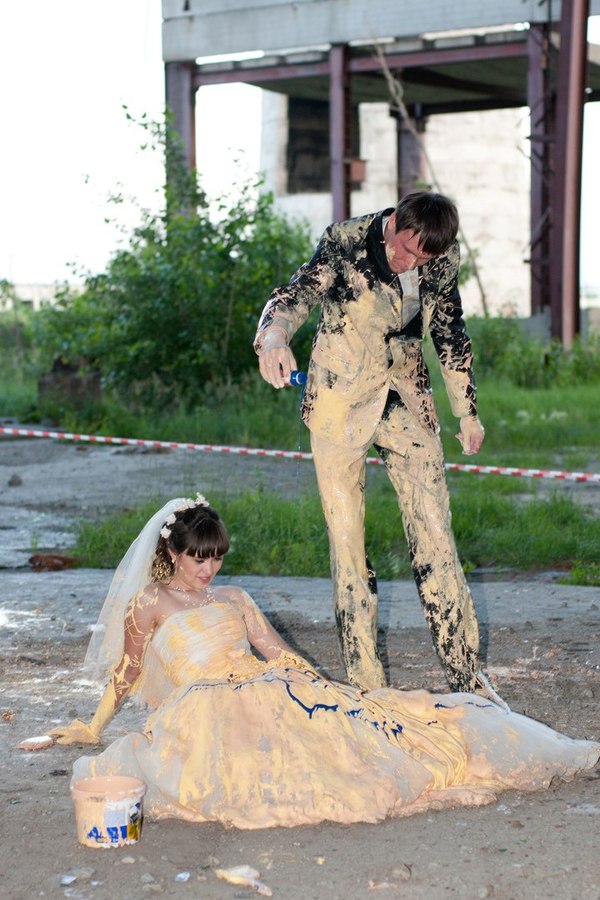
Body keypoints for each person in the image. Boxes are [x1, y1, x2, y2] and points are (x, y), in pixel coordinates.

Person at [19, 496, 600, 829]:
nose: (209, 570)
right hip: (201, 707)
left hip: (265, 685)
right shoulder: (149, 603)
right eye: (198, 559)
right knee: (243, 777)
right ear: (171, 553)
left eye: (216, 558)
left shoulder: (234, 597)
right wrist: (93, 725)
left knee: (362, 736)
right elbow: (127, 671)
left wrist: (328, 691)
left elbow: (276, 650)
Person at [254, 191, 490, 697]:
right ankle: (367, 688)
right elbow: (294, 296)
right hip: (339, 401)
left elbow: (450, 332)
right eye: (403, 249)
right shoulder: (345, 241)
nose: (408, 262)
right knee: (348, 545)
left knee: (436, 534)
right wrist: (273, 339)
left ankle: (467, 677)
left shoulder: (440, 259)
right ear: (394, 223)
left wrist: (466, 412)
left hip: (407, 397)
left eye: (420, 258)